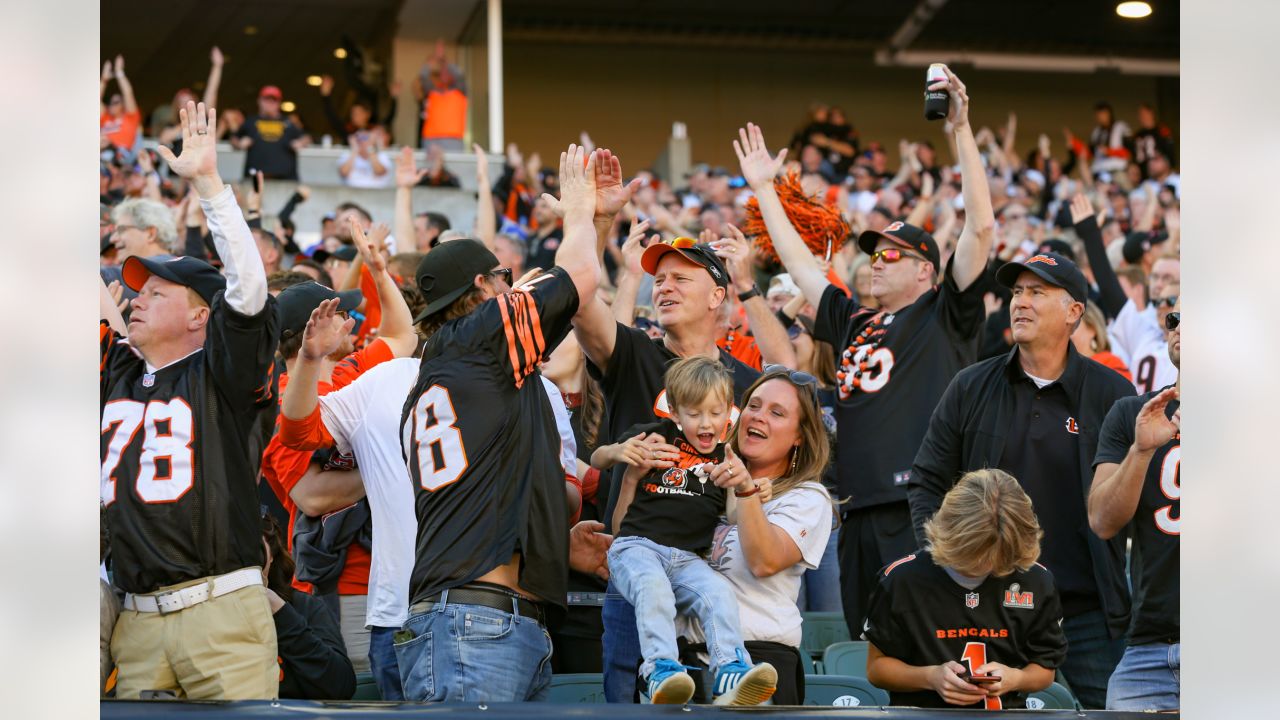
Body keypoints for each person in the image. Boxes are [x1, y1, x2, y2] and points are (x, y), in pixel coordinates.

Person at [733, 64, 994, 641]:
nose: (878, 260)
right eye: (874, 252)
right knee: (869, 651)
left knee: (928, 646)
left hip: (920, 509)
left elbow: (979, 230)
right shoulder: (854, 322)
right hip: (854, 511)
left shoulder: (945, 314)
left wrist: (961, 131)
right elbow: (802, 264)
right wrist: (762, 192)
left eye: (894, 255)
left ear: (928, 270)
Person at [393, 144, 601, 702]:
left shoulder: (438, 375)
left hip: (477, 620)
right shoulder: (482, 339)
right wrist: (579, 212)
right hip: (473, 627)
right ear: (483, 291)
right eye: (502, 276)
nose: (511, 286)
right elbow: (581, 276)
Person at [100, 101, 280, 699]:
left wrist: (208, 185)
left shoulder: (222, 374)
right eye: (136, 292)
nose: (137, 300)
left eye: (157, 291)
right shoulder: (116, 369)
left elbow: (250, 292)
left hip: (220, 608)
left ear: (203, 315)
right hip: (136, 618)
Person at [570, 154, 762, 700]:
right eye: (659, 279)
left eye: (682, 278)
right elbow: (582, 306)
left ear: (718, 295)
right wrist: (598, 221)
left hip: (709, 562)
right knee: (630, 699)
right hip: (634, 563)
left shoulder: (746, 384)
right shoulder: (637, 353)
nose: (664, 287)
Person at [908, 251, 1135, 709]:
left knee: (1110, 713)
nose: (1020, 302)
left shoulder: (1114, 395)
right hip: (987, 604)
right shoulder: (971, 385)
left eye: (1037, 292)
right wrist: (948, 561)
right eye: (1016, 292)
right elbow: (926, 481)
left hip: (1086, 607)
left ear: (1075, 312)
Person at [260, 221, 419, 683]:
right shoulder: (284, 396)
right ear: (312, 328)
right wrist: (396, 467)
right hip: (340, 582)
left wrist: (378, 269)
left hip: (390, 569)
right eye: (341, 313)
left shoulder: (351, 372)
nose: (354, 320)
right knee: (361, 697)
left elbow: (403, 336)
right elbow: (312, 496)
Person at [602, 357, 778, 706]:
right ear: (676, 413)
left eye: (714, 413)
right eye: (694, 414)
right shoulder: (654, 436)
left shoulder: (728, 458)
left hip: (686, 559)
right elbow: (598, 459)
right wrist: (618, 452)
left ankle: (730, 670)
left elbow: (733, 514)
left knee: (719, 593)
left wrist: (749, 490)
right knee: (654, 590)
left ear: (729, 412)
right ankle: (660, 670)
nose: (705, 423)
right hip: (638, 547)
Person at [681, 366, 836, 704]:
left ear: (799, 435)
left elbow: (764, 561)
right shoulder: (700, 480)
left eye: (777, 412)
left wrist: (746, 490)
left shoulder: (808, 497)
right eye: (754, 405)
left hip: (758, 664)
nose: (759, 416)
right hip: (685, 665)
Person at [865, 469, 1067, 709]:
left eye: (996, 558)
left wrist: (1015, 678)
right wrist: (930, 677)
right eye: (972, 555)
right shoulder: (901, 580)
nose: (982, 565)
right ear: (950, 531)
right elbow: (876, 668)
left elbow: (1045, 669)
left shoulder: (1035, 581)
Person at [1089, 301, 1180, 711]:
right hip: (1148, 646)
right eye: (1175, 317)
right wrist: (1141, 452)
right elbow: (1102, 521)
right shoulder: (1134, 413)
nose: (1178, 325)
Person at [260, 514, 357, 700]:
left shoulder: (303, 607)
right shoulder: (204, 610)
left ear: (271, 555)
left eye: (253, 549)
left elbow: (341, 687)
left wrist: (280, 611)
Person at [233, 85, 310, 180]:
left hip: (286, 178)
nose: (270, 103)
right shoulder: (250, 121)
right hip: (255, 177)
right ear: (259, 101)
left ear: (279, 103)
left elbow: (307, 138)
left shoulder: (288, 122)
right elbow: (234, 138)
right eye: (266, 99)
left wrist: (300, 143)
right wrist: (240, 144)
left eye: (274, 100)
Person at [417, 41, 467, 152]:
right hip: (431, 139)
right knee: (431, 170)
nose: (444, 75)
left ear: (451, 76)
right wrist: (434, 59)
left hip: (453, 139)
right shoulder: (431, 91)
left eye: (447, 73)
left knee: (453, 170)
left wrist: (444, 61)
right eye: (441, 73)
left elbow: (459, 75)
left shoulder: (460, 90)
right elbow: (423, 76)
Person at [1073, 301, 1132, 382]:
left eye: (1073, 325)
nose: (1065, 331)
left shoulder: (1111, 364)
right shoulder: (1058, 368)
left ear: (1092, 328)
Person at [100, 55, 141, 155]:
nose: (111, 105)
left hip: (121, 158)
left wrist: (119, 73)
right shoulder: (105, 118)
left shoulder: (130, 117)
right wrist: (104, 80)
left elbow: (128, 93)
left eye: (116, 102)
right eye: (110, 102)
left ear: (123, 104)